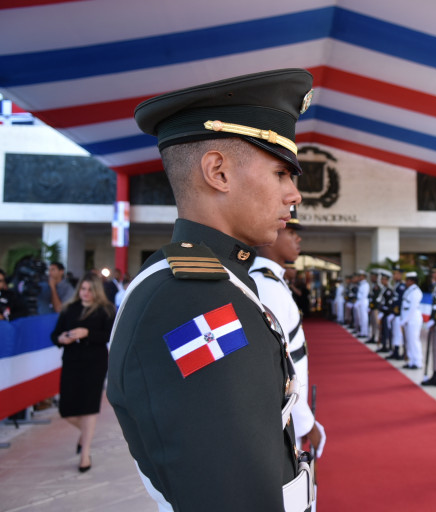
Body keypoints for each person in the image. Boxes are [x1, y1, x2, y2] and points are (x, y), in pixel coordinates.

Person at [106, 69, 316, 512]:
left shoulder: (218, 282)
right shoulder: (192, 301)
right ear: (218, 172)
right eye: (281, 172)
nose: (294, 194)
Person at [250, 208, 326, 461]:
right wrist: (306, 422)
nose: (298, 238)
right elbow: (277, 365)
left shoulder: (273, 280)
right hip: (284, 412)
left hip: (289, 409)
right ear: (272, 235)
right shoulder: (266, 285)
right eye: (291, 232)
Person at [50, 272, 116, 472]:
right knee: (66, 410)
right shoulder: (69, 309)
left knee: (89, 407)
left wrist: (87, 333)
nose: (85, 293)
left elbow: (109, 335)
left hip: (94, 363)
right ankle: (85, 434)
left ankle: (85, 454)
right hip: (72, 361)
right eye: (83, 289)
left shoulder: (105, 310)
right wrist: (62, 338)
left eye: (90, 289)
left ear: (97, 291)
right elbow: (54, 334)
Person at [400, 271, 423, 370]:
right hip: (407, 318)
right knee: (409, 341)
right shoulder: (409, 290)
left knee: (414, 340)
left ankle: (418, 361)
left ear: (412, 281)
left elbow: (412, 308)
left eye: (408, 280)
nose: (406, 282)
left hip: (413, 318)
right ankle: (411, 360)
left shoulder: (416, 291)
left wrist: (405, 319)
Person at [386, 267, 408, 361]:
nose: (393, 276)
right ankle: (395, 351)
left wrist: (395, 313)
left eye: (395, 274)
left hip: (399, 314)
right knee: (395, 333)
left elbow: (400, 301)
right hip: (395, 314)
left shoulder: (402, 286)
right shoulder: (396, 285)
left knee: (399, 334)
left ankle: (402, 353)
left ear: (400, 275)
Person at [354, 269, 370, 339]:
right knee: (360, 317)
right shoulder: (361, 284)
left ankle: (365, 332)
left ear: (364, 277)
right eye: (359, 276)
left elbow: (364, 295)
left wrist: (360, 302)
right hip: (360, 301)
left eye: (361, 276)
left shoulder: (366, 284)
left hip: (363, 302)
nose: (360, 277)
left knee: (364, 317)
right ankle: (362, 331)